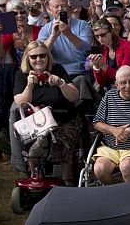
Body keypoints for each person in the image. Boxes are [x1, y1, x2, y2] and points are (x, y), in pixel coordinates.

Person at [11, 42, 81, 183]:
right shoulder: (22, 75)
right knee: (34, 141)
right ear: (27, 58)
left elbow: (74, 96)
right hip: (36, 122)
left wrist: (61, 84)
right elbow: (20, 102)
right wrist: (30, 85)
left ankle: (67, 179)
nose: (38, 60)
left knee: (63, 136)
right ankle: (34, 174)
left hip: (63, 119)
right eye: (34, 56)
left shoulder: (58, 70)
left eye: (42, 55)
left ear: (48, 57)